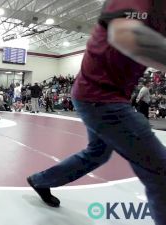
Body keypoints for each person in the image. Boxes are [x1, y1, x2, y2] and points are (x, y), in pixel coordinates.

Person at [27, 1, 166, 224]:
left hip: (102, 96)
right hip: (100, 98)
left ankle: (41, 180)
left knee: (97, 153)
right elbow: (124, 34)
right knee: (161, 172)